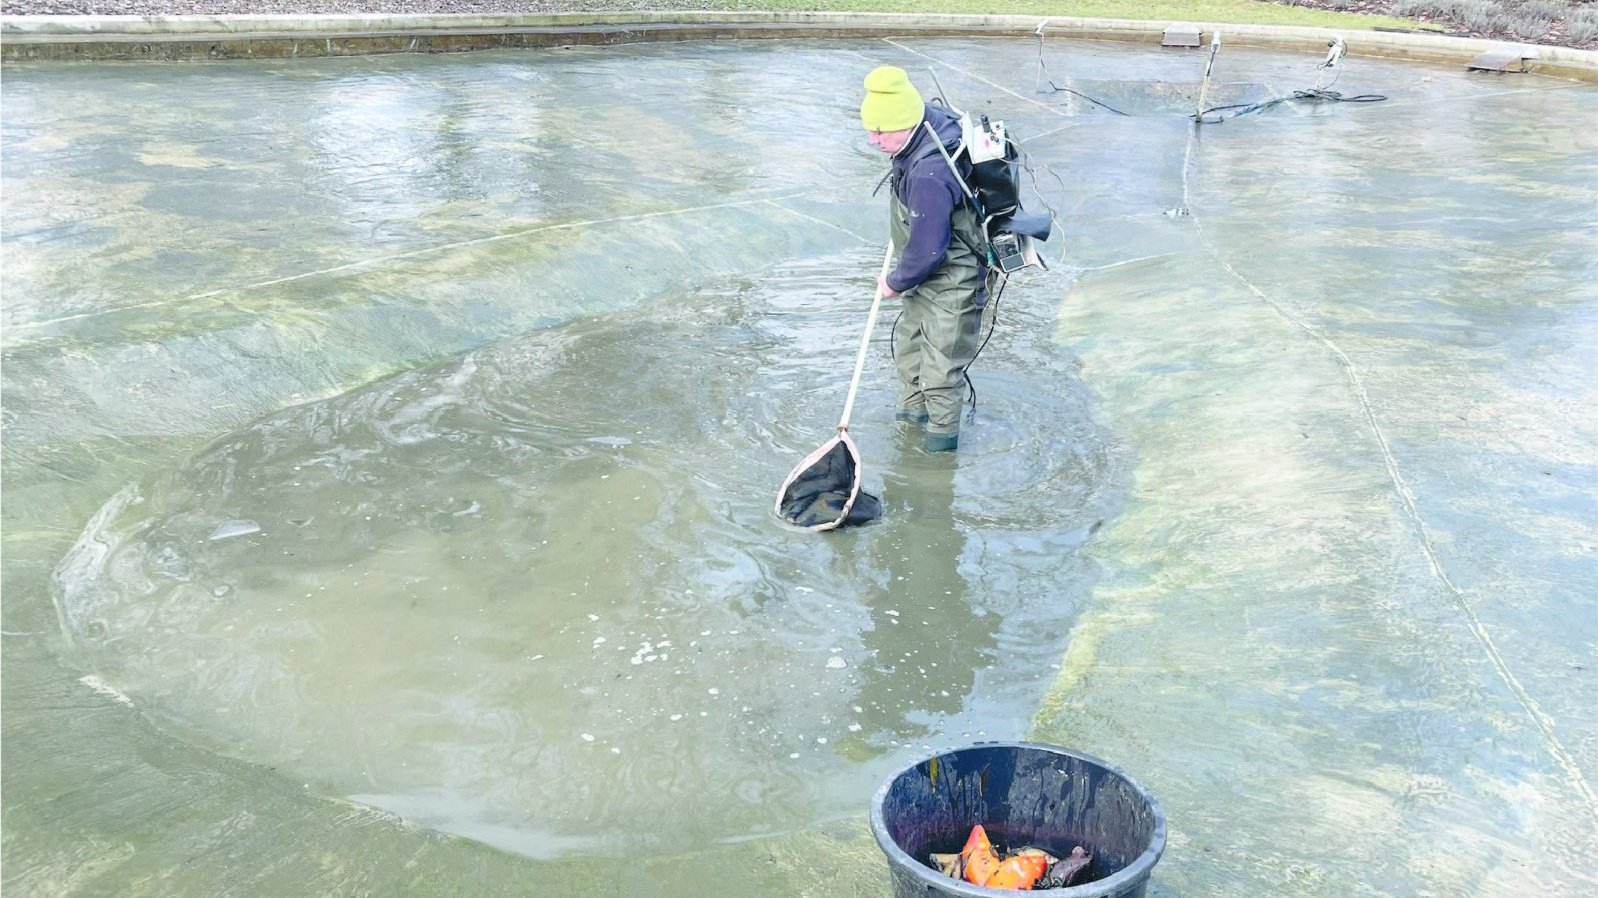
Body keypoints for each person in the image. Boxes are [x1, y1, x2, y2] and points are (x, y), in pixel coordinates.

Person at [859, 65, 988, 454]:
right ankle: (909, 425)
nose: (873, 140)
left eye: (881, 132)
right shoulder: (923, 120)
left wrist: (895, 282)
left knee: (940, 370)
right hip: (923, 273)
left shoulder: (931, 172)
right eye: (871, 130)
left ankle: (936, 456)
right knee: (910, 352)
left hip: (953, 278)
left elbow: (929, 249)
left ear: (906, 123)